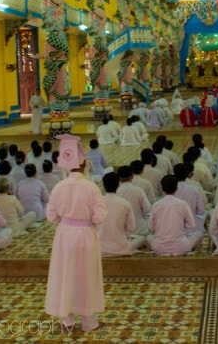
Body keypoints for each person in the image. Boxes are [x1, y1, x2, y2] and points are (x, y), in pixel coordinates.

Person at [46, 134, 107, 333]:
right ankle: (89, 322)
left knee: (66, 274)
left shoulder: (58, 187)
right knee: (86, 275)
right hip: (86, 236)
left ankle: (67, 320)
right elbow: (99, 216)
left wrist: (67, 219)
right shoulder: (91, 187)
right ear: (83, 165)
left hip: (64, 235)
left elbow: (51, 217)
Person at [147, 175, 204, 256]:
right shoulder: (182, 204)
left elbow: (151, 228)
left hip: (160, 247)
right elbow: (192, 226)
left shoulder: (156, 205)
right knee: (199, 233)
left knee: (148, 237)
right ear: (176, 188)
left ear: (162, 188)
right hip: (181, 246)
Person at [98, 172, 146, 256]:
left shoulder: (97, 203)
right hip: (120, 249)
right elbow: (131, 228)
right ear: (118, 184)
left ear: (103, 185)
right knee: (141, 238)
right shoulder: (125, 203)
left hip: (99, 248)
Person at [116, 166, 151, 236]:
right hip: (140, 230)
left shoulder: (117, 192)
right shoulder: (138, 190)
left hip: (122, 232)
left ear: (119, 178)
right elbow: (147, 209)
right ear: (132, 176)